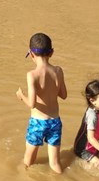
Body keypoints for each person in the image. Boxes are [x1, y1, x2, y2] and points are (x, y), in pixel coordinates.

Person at [16, 32, 68, 173]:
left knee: (28, 161)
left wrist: (21, 96)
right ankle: (61, 180)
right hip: (55, 122)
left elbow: (32, 104)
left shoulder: (32, 75)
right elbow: (64, 95)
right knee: (55, 163)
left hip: (38, 123)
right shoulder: (58, 71)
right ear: (51, 52)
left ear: (31, 54)